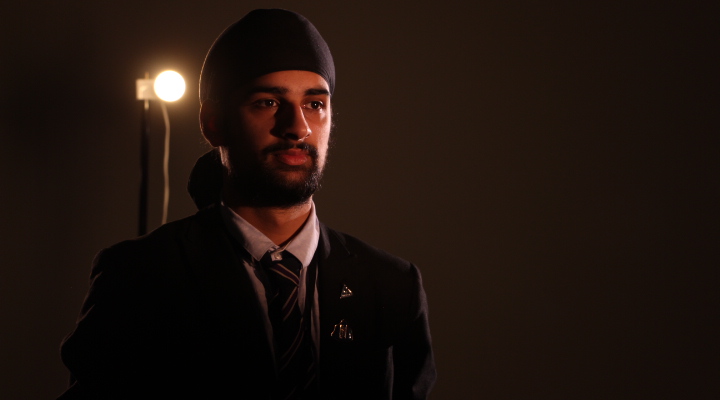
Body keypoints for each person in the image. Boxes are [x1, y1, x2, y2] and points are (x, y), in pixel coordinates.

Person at [59, 9, 435, 400]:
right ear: (213, 123)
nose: (298, 127)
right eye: (268, 102)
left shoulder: (391, 285)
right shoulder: (140, 277)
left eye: (314, 104)